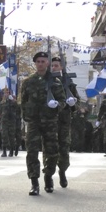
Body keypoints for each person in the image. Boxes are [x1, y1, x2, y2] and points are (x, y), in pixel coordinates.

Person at [20, 51, 66, 196]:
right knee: (32, 151)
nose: (40, 64)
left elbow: (63, 101)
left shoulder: (55, 82)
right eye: (38, 61)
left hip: (50, 121)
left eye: (43, 61)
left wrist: (56, 105)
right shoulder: (28, 82)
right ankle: (34, 182)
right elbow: (23, 102)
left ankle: (48, 176)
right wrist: (25, 118)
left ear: (47, 63)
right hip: (33, 121)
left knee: (52, 151)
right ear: (35, 63)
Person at [51, 56, 78, 188]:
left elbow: (75, 102)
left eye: (56, 65)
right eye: (52, 65)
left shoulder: (69, 83)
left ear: (61, 67)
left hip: (64, 121)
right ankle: (48, 175)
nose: (54, 67)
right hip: (50, 120)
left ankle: (62, 171)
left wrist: (73, 102)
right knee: (50, 148)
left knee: (64, 148)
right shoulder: (47, 81)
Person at [0, 89, 21, 157]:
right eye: (5, 93)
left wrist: (13, 101)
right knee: (4, 135)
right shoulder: (2, 102)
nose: (6, 94)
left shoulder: (13, 101)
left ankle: (11, 151)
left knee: (11, 136)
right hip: (4, 121)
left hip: (12, 121)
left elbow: (18, 108)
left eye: (8, 93)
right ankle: (4, 151)